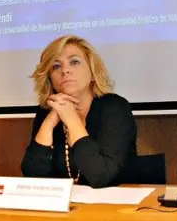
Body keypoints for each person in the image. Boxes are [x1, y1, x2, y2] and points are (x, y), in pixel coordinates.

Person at [21, 35, 137, 188]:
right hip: (67, 202)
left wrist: (71, 119)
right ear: (50, 79)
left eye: (74, 62)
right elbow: (32, 177)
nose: (65, 70)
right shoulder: (46, 112)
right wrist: (49, 124)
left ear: (92, 72)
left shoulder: (114, 107)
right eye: (56, 66)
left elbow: (101, 176)